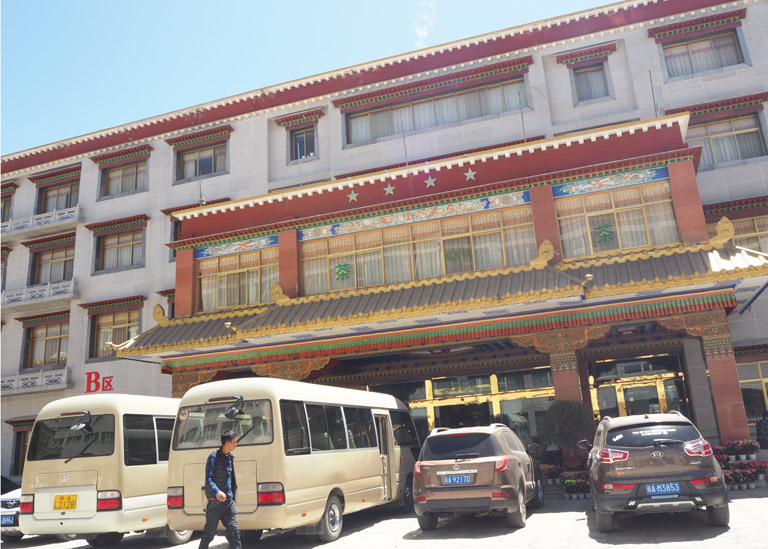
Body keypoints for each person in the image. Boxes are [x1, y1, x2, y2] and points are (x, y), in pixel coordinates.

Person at [199, 430, 240, 549]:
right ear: (227, 443)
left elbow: (231, 479)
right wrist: (217, 492)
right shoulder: (213, 457)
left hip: (228, 503)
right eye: (234, 442)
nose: (236, 444)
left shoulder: (230, 458)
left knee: (234, 533)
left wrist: (231, 495)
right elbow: (209, 479)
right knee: (209, 535)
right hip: (215, 504)